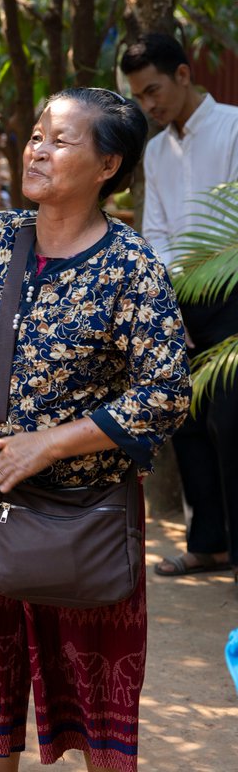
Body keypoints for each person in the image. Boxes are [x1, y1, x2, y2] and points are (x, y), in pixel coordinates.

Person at [0, 88, 191, 772]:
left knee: (99, 709)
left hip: (86, 520)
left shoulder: (131, 268)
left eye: (60, 140)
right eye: (37, 135)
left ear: (107, 165)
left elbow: (167, 393)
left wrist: (51, 443)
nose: (37, 149)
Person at [121, 33, 238, 579]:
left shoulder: (234, 127)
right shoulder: (158, 151)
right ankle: (208, 543)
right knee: (186, 419)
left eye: (153, 90)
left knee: (232, 418)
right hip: (182, 301)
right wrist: (168, 303)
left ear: (185, 76)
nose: (148, 105)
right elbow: (158, 231)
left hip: (234, 292)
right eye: (139, 96)